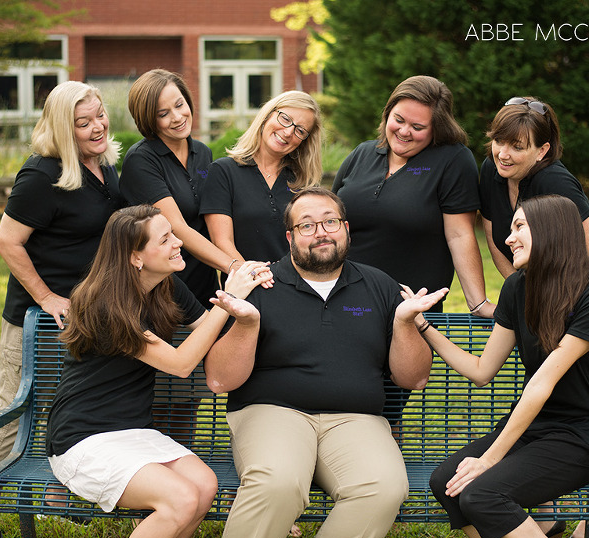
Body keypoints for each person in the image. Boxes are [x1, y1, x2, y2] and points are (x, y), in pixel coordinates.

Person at [204, 187, 448, 538]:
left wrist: (405, 323)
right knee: (277, 483)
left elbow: (412, 379)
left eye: (330, 221)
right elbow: (220, 381)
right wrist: (247, 325)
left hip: (356, 419)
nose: (321, 232)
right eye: (306, 225)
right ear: (289, 237)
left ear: (346, 228)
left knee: (383, 487)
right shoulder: (259, 285)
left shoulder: (378, 285)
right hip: (273, 411)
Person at [45, 205, 267, 538]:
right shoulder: (105, 304)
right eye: (166, 239)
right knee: (179, 499)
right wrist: (229, 299)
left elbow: (209, 332)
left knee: (204, 487)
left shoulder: (165, 284)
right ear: (135, 257)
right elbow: (181, 365)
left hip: (132, 430)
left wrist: (248, 307)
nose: (179, 242)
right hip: (83, 438)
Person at [478, 96, 589, 538]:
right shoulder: (491, 172)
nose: (504, 153)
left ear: (543, 150)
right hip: (551, 298)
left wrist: (567, 308)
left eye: (518, 145)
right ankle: (548, 511)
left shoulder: (554, 179)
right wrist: (519, 295)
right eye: (499, 141)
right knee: (556, 397)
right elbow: (496, 233)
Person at [423, 195, 589, 538]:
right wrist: (423, 326)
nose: (507, 239)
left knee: (481, 493)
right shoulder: (518, 287)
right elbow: (482, 371)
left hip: (578, 437)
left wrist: (490, 460)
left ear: (550, 230)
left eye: (518, 228)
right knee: (446, 483)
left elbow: (543, 382)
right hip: (533, 430)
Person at [0, 80, 125, 538]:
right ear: (63, 128)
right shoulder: (41, 176)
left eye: (99, 116)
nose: (97, 127)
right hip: (37, 319)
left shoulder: (105, 167)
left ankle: (68, 494)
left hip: (89, 319)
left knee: (74, 408)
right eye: (83, 124)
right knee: (14, 412)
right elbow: (7, 241)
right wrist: (45, 296)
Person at [331, 75, 493, 429]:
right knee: (332, 399)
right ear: (387, 114)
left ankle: (377, 476)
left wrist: (477, 301)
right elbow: (330, 221)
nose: (404, 132)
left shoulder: (452, 161)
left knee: (379, 408)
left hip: (401, 310)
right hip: (340, 302)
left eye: (418, 127)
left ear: (438, 129)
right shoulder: (363, 154)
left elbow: (460, 234)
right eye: (398, 120)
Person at [121, 69, 240, 308]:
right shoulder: (141, 161)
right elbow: (177, 227)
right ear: (147, 120)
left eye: (179, 104)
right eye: (163, 114)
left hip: (204, 283)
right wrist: (234, 266)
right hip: (163, 290)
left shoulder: (202, 152)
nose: (177, 117)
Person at [201, 90, 322, 270]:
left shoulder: (305, 185)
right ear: (267, 116)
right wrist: (255, 277)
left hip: (297, 288)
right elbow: (222, 243)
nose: (288, 132)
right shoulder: (223, 172)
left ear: (304, 141)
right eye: (285, 119)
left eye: (300, 130)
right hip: (244, 287)